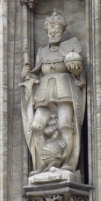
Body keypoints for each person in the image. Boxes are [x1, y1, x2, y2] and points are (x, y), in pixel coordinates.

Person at [20, 12, 86, 177]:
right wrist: (26, 75)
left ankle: (66, 163)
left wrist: (76, 70)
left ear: (61, 31)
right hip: (44, 92)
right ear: (47, 31)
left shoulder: (69, 48)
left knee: (65, 125)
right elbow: (36, 73)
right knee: (36, 127)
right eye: (51, 30)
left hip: (64, 89)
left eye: (57, 30)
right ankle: (44, 162)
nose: (54, 33)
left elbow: (78, 74)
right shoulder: (42, 51)